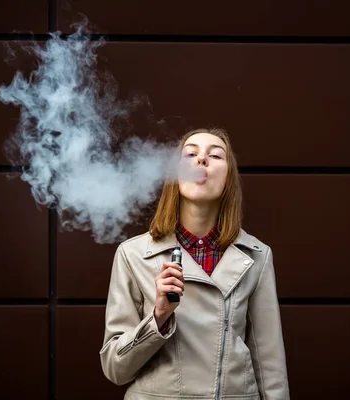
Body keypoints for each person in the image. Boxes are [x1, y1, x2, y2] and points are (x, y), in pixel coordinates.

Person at [99, 127, 290, 399]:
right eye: (190, 154)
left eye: (215, 155)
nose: (202, 160)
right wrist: (158, 318)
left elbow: (271, 368)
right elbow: (115, 369)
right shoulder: (133, 255)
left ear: (228, 179)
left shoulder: (257, 255)